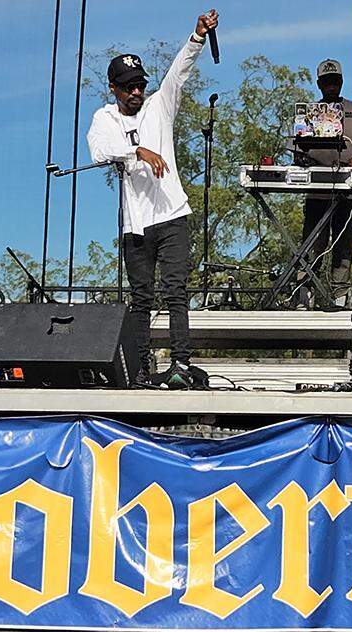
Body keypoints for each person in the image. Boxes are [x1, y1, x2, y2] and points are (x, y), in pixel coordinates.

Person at [86, 10, 219, 389]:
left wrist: (197, 36)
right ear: (114, 88)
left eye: (140, 85)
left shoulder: (160, 106)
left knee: (176, 290)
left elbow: (179, 71)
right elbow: (99, 151)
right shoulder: (105, 118)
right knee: (141, 297)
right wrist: (138, 152)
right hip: (137, 223)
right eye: (128, 87)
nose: (136, 92)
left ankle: (180, 363)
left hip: (172, 214)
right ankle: (141, 369)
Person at [297, 59, 352, 308]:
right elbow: (297, 151)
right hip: (317, 190)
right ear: (319, 84)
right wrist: (303, 159)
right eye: (326, 82)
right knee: (312, 244)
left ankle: (340, 297)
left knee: (344, 246)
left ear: (341, 82)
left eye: (335, 81)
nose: (331, 86)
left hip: (348, 192)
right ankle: (304, 295)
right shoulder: (309, 114)